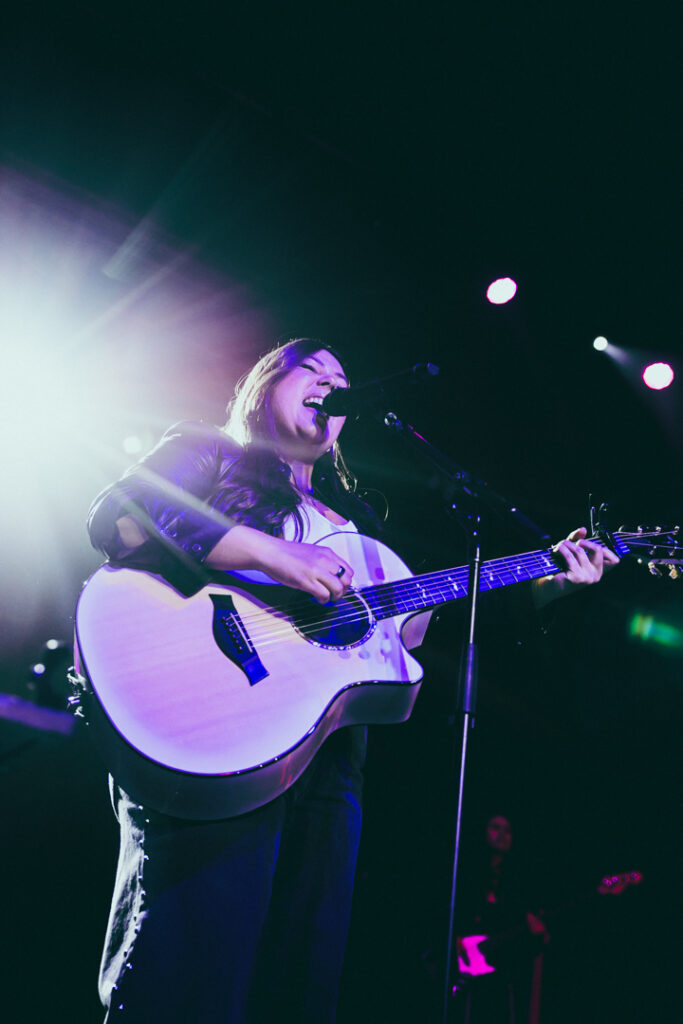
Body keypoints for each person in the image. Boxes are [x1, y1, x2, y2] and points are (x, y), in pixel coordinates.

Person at [84, 337, 618, 1023]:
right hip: (212, 723)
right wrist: (270, 552)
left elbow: (424, 633)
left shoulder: (361, 536)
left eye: (341, 381)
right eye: (311, 370)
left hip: (328, 763)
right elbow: (121, 517)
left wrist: (546, 585)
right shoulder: (208, 451)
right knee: (190, 964)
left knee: (299, 980)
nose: (330, 384)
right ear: (262, 385)